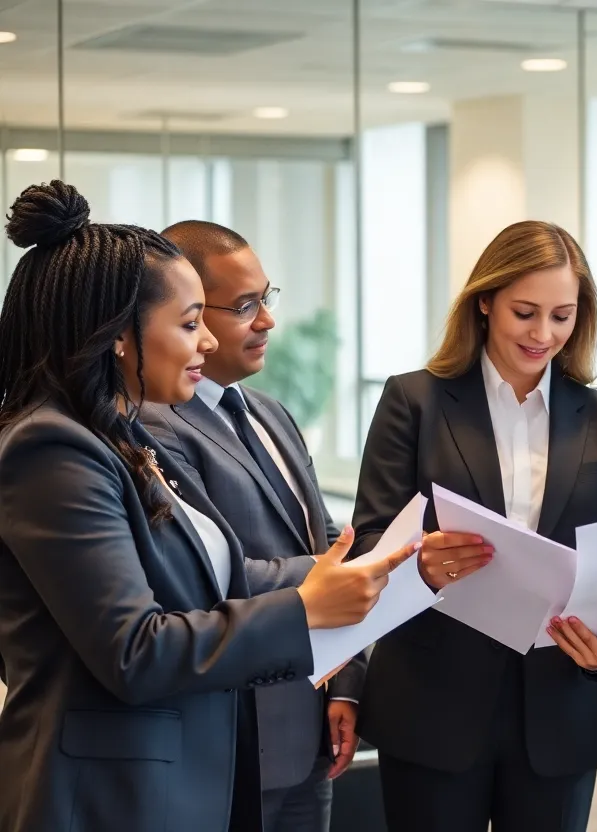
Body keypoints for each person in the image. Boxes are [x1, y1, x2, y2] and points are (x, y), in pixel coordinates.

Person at [0, 181, 410, 832]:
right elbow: (135, 651)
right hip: (108, 797)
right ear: (120, 338)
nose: (208, 345)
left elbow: (213, 581)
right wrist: (306, 609)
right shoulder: (51, 451)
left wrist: (357, 572)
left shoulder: (119, 435)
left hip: (177, 785)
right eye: (190, 324)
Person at [350, 220, 597, 832]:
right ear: (485, 301)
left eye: (562, 316)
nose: (543, 334)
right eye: (525, 313)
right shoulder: (414, 401)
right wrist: (419, 563)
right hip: (433, 700)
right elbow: (370, 541)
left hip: (558, 703)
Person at [141, 220, 361, 832]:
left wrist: (347, 685)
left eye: (268, 298)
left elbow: (323, 536)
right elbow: (204, 575)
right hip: (230, 736)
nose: (266, 320)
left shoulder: (270, 411)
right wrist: (338, 571)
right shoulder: (152, 427)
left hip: (309, 727)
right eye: (244, 306)